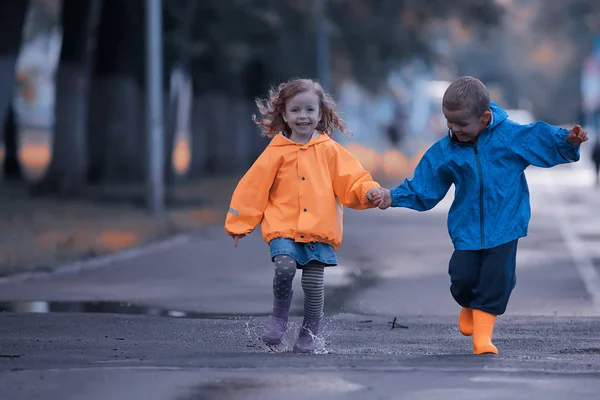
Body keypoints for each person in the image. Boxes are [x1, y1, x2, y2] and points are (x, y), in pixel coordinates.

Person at [370, 76, 589, 355]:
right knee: (462, 279)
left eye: (461, 124)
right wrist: (392, 197)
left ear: (485, 118)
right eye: (449, 122)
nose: (454, 129)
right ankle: (468, 304)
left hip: (506, 224)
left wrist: (568, 141)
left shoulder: (509, 137)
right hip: (467, 227)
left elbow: (539, 139)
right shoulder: (447, 150)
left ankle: (483, 339)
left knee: (496, 279)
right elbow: (426, 183)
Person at [224, 78, 383, 353]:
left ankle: (309, 333)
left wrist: (368, 191)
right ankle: (278, 319)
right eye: (296, 110)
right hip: (283, 227)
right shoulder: (276, 152)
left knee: (312, 283)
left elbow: (352, 179)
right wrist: (239, 223)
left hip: (319, 230)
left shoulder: (330, 150)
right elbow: (252, 188)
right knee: (284, 268)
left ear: (320, 113)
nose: (303, 116)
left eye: (310, 110)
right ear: (284, 114)